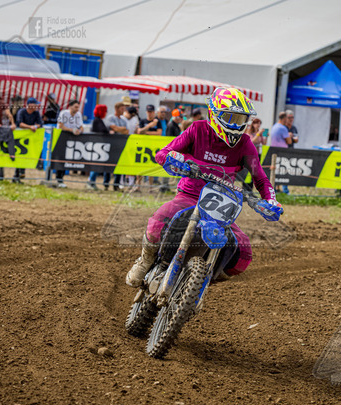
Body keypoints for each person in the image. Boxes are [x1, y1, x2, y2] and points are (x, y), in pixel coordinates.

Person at [125, 87, 282, 288]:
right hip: (190, 194)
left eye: (241, 119)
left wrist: (271, 200)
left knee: (244, 254)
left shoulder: (245, 143)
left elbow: (260, 178)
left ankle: (202, 279)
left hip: (221, 203)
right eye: (230, 118)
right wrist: (175, 161)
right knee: (159, 220)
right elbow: (163, 153)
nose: (236, 125)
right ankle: (145, 259)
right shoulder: (198, 129)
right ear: (215, 114)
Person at [14, 97, 44, 183]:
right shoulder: (22, 111)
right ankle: (18, 174)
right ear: (30, 105)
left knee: (26, 154)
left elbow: (40, 123)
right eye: (35, 104)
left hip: (29, 138)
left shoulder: (36, 113)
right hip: (20, 137)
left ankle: (19, 174)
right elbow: (19, 123)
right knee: (20, 154)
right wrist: (30, 127)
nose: (37, 106)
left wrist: (35, 126)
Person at [55, 99, 84, 188]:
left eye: (78, 107)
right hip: (61, 137)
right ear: (70, 106)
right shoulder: (64, 113)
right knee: (60, 158)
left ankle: (61, 178)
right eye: (75, 107)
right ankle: (59, 178)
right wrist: (72, 130)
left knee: (66, 158)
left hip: (71, 139)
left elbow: (81, 127)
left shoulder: (78, 115)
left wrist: (79, 131)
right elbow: (60, 125)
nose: (77, 109)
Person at [88, 104, 111, 190]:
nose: (106, 113)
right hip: (97, 146)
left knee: (98, 165)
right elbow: (103, 130)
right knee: (96, 165)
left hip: (99, 145)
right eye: (105, 111)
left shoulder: (99, 120)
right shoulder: (97, 121)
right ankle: (91, 181)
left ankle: (91, 181)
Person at [270, 111, 293, 194]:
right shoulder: (283, 128)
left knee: (275, 171)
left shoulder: (274, 126)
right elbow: (289, 141)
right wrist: (290, 136)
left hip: (274, 151)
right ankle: (285, 191)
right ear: (284, 118)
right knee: (284, 170)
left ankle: (275, 189)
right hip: (282, 152)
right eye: (287, 118)